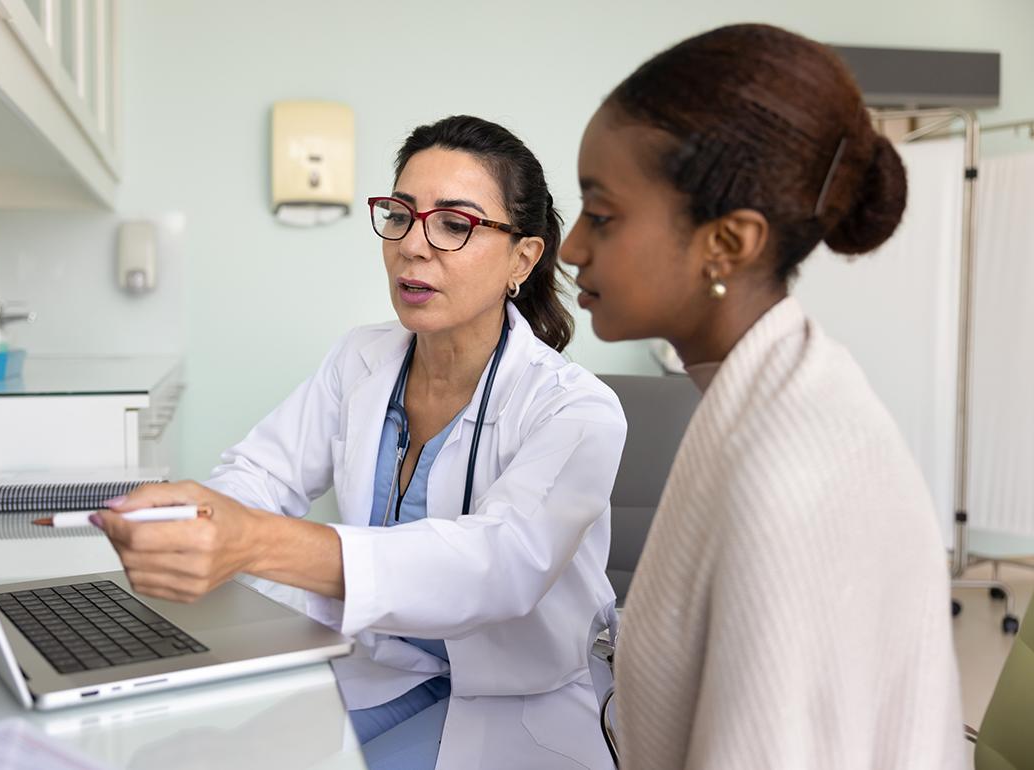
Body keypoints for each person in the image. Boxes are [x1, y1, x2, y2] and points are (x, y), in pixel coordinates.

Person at [91, 114, 626, 770]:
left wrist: (251, 542)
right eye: (400, 214)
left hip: (514, 702)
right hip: (380, 666)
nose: (413, 245)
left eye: (455, 224)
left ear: (523, 257)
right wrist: (197, 518)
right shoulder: (361, 358)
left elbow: (499, 567)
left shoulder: (576, 409)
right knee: (187, 751)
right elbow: (260, 474)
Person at [559, 24, 964, 770]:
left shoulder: (792, 474)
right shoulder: (755, 397)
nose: (572, 246)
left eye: (603, 215)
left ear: (728, 243)